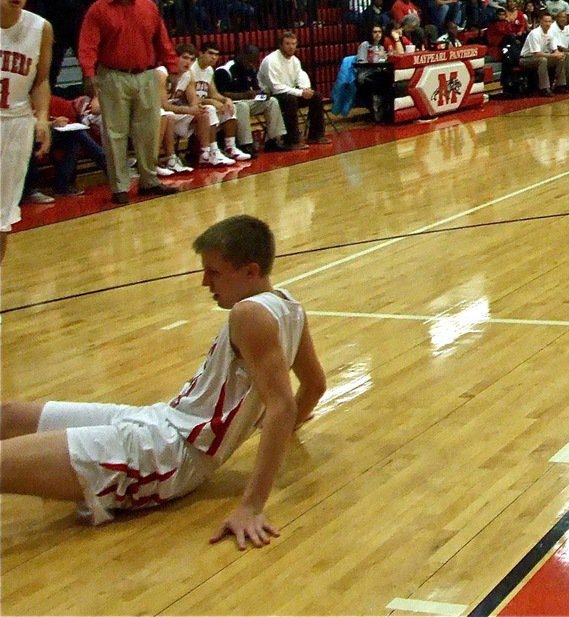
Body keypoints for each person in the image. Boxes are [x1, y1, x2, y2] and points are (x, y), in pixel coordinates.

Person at [0, 215, 326, 546]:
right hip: (158, 420)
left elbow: (281, 407)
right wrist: (285, 428)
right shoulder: (291, 307)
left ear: (250, 272)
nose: (204, 282)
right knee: (8, 415)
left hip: (168, 454)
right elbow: (314, 386)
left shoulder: (250, 314)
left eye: (213, 271)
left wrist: (252, 506)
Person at [76, 0, 179, 205]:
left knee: (148, 131)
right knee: (115, 133)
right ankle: (119, 186)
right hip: (113, 76)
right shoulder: (98, 10)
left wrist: (172, 68)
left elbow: (162, 40)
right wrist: (89, 74)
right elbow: (88, 45)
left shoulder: (148, 6)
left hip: (146, 74)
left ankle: (149, 181)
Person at [0, 0, 53, 259]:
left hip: (17, 124)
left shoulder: (40, 28)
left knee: (3, 216)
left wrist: (42, 119)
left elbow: (41, 80)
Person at [258, 31, 328, 149]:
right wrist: (300, 92)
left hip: (290, 92)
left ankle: (316, 135)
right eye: (288, 44)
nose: (291, 47)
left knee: (316, 96)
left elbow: (300, 75)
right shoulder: (271, 61)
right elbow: (276, 87)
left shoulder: (295, 60)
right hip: (271, 95)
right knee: (289, 100)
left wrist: (306, 89)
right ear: (280, 45)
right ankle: (291, 140)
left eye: (294, 44)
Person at [213, 45, 288, 152]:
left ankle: (273, 140)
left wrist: (263, 95)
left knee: (272, 101)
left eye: (254, 61)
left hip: (248, 101)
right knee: (243, 106)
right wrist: (244, 95)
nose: (252, 64)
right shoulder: (225, 70)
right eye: (249, 60)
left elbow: (253, 92)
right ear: (241, 56)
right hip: (231, 104)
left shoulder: (250, 69)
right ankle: (246, 144)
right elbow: (221, 94)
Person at [519, 10, 569, 96]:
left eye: (549, 21)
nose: (548, 24)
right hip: (526, 59)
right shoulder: (534, 33)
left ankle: (560, 85)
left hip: (542, 56)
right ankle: (544, 88)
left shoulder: (550, 33)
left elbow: (554, 49)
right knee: (542, 60)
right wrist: (552, 55)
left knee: (560, 58)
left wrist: (558, 54)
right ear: (540, 22)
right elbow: (536, 53)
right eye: (545, 21)